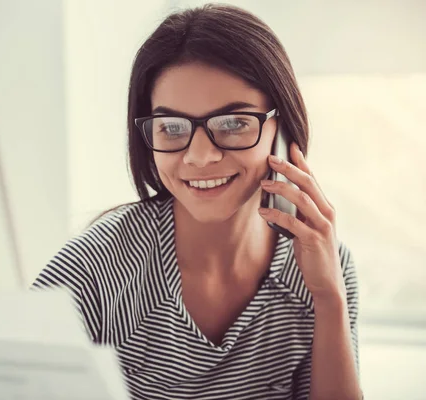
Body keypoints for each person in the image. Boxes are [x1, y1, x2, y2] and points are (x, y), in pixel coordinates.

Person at [32, 4, 362, 400]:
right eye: (171, 127)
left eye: (234, 123)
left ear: (283, 128)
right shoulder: (93, 271)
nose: (199, 156)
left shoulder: (326, 265)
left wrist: (328, 299)